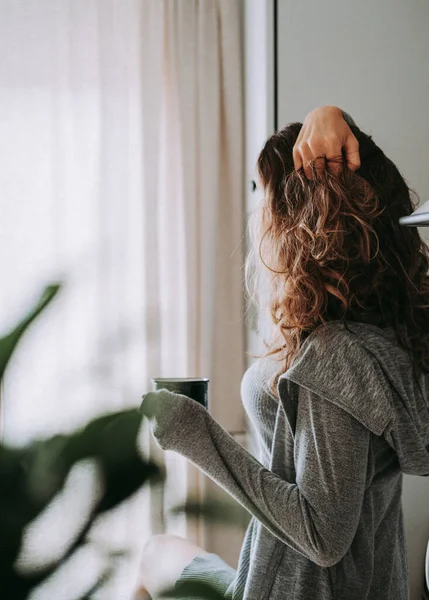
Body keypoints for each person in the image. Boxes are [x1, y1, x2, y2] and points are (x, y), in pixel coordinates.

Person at [137, 105, 429, 599]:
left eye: (263, 196)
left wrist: (195, 434)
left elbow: (322, 536)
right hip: (294, 581)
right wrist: (327, 114)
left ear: (300, 222)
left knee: (153, 557)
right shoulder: (384, 335)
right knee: (155, 553)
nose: (258, 214)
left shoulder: (335, 355)